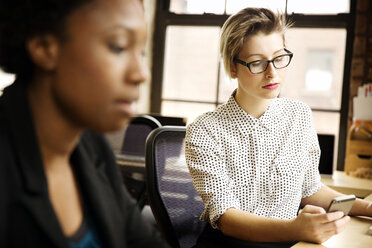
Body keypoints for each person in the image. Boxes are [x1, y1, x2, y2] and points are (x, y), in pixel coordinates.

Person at [185, 7, 372, 248]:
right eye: (257, 63)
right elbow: (225, 218)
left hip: (291, 241)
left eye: (279, 58)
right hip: (232, 244)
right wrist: (294, 228)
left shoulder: (299, 115)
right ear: (233, 67)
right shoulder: (204, 130)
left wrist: (366, 207)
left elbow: (311, 190)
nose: (272, 73)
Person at [0, 0, 170, 247]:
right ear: (45, 45)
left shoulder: (91, 147)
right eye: (118, 46)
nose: (141, 73)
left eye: (141, 52)